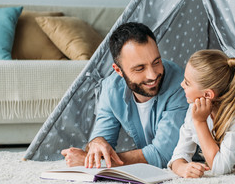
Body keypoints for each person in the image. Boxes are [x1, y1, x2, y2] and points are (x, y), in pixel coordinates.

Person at [62, 22, 189, 169]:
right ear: (118, 70)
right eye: (140, 68)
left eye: (156, 62)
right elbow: (103, 138)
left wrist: (94, 161)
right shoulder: (111, 88)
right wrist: (97, 143)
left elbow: (163, 154)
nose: (152, 75)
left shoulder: (181, 85)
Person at [169, 49, 235, 178]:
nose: (181, 85)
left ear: (208, 94)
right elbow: (179, 153)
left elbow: (219, 168)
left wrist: (200, 122)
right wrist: (180, 167)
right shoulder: (194, 107)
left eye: (187, 82)